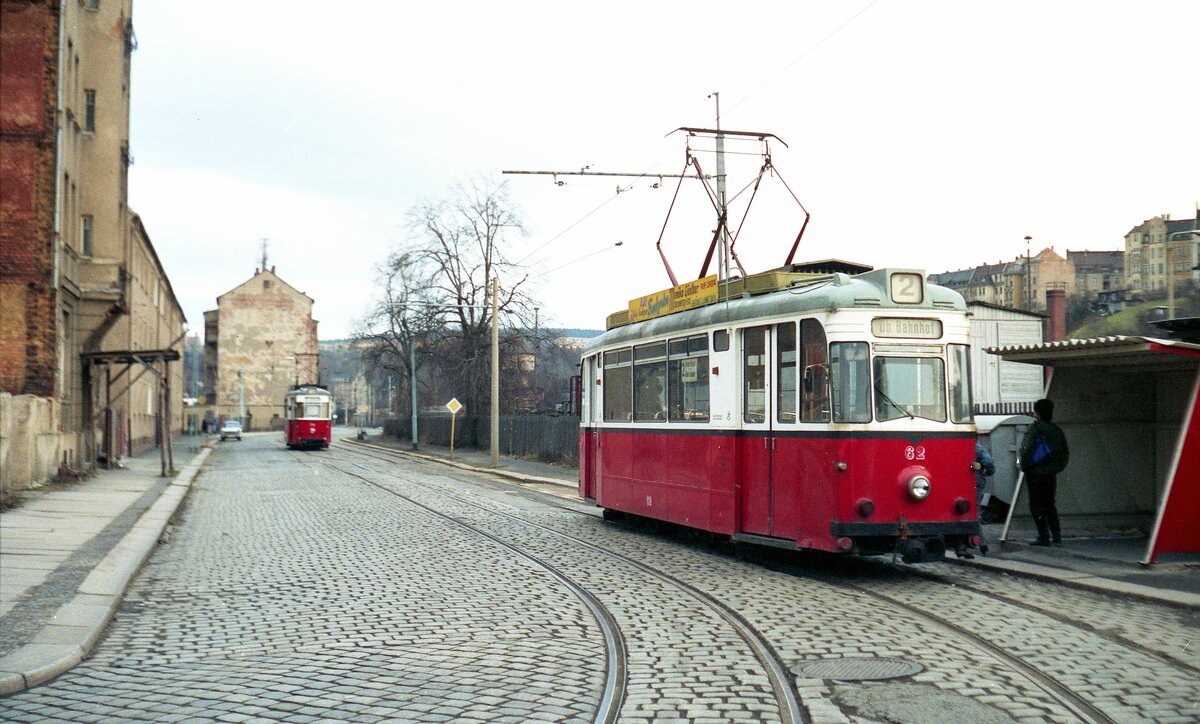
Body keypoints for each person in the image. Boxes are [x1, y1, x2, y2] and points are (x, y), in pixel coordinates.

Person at [1018, 398, 1070, 546]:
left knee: (1036, 505)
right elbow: (1064, 453)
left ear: (1037, 413)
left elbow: (1025, 449)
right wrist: (1055, 468)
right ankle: (1057, 535)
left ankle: (1043, 536)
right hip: (1050, 474)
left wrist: (1025, 466)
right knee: (1049, 504)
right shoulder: (1056, 430)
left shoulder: (1035, 428)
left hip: (1034, 474)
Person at [971, 442, 996, 555]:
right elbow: (989, 462)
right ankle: (982, 543)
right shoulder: (977, 447)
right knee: (975, 512)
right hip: (976, 480)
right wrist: (988, 472)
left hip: (958, 481)